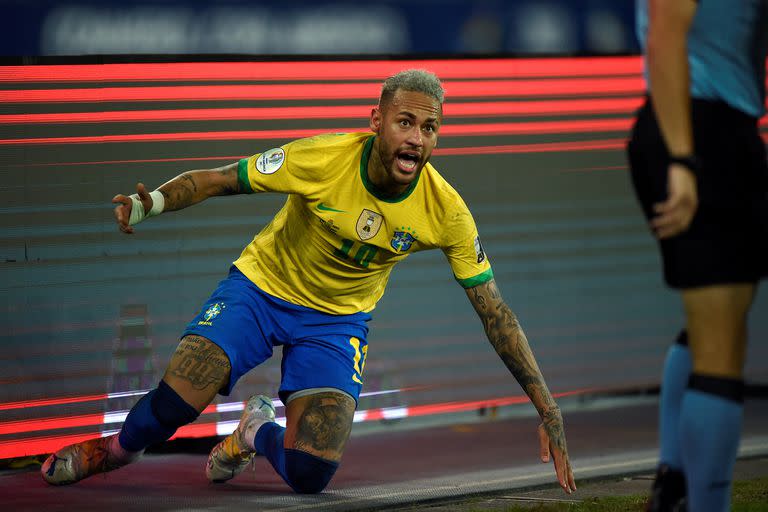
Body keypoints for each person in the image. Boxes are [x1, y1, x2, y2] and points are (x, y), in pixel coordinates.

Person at [41, 69, 576, 495]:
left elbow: (495, 313)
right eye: (405, 122)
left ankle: (254, 431)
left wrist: (548, 408)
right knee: (181, 398)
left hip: (336, 322)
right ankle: (115, 451)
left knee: (310, 474)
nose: (416, 138)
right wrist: (148, 203)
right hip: (261, 290)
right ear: (376, 121)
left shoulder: (447, 211)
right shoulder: (320, 158)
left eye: (429, 128)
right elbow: (218, 179)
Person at [627, 1, 767, 511]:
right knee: (719, 346)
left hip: (722, 131)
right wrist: (683, 159)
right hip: (697, 132)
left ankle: (675, 483)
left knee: (719, 325)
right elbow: (666, 30)